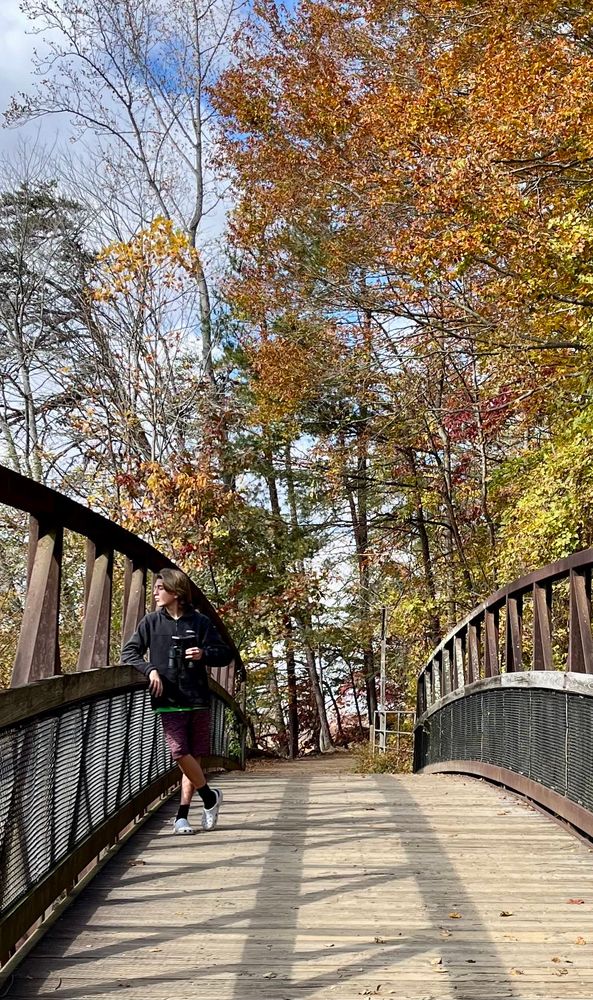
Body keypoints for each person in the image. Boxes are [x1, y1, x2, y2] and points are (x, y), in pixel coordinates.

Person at [122, 568, 231, 835]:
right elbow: (129, 652)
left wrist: (203, 653)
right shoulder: (151, 622)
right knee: (179, 752)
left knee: (191, 758)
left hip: (197, 697)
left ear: (176, 591)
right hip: (168, 697)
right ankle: (209, 797)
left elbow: (224, 654)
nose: (156, 592)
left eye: (160, 588)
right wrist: (150, 670)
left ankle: (182, 816)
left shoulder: (200, 622)